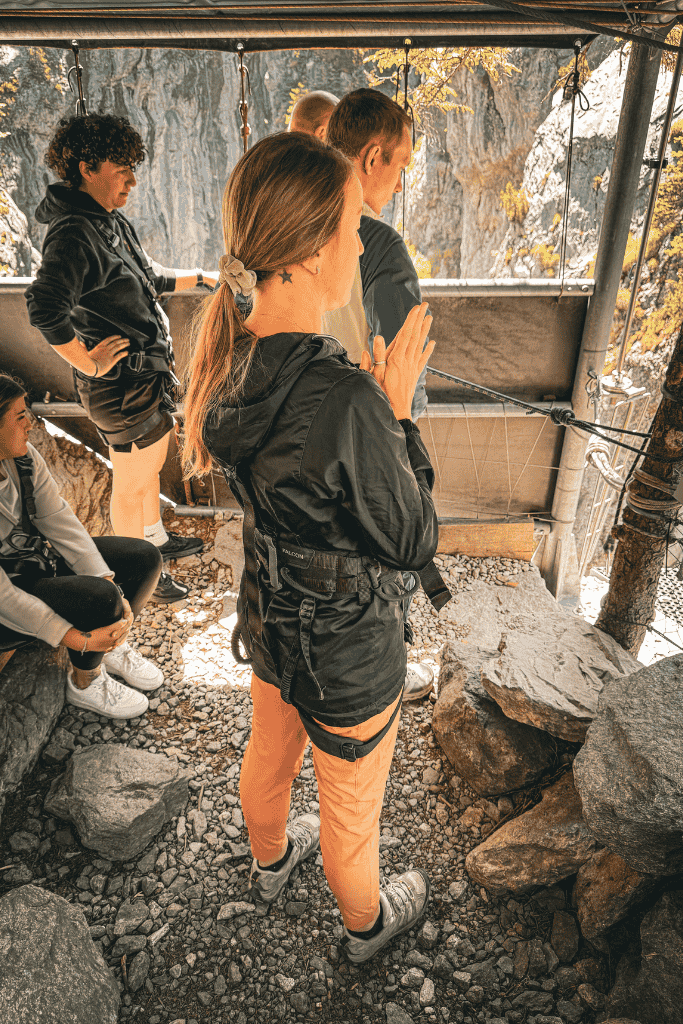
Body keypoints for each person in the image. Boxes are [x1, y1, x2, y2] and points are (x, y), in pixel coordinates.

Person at [182, 132, 437, 963]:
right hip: (347, 649)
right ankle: (365, 930)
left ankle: (267, 863)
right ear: (307, 252)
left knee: (270, 751)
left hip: (270, 618)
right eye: (353, 226)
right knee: (350, 809)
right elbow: (410, 539)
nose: (362, 243)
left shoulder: (227, 358)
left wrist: (366, 409)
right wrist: (393, 416)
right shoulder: (347, 397)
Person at [25, 113, 218, 604]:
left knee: (146, 474)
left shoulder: (104, 219)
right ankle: (139, 577)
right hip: (120, 389)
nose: (133, 179)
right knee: (133, 484)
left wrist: (200, 277)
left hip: (141, 382)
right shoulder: (73, 233)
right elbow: (44, 305)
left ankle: (154, 542)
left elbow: (147, 275)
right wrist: (85, 361)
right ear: (86, 167)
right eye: (122, 168)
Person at [325, 88, 435, 701]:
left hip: (301, 431)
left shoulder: (293, 224)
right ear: (372, 157)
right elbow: (400, 360)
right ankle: (388, 655)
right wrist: (406, 430)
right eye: (401, 163)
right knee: (388, 540)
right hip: (368, 423)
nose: (400, 180)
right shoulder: (378, 245)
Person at [0, 373, 164, 719]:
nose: (31, 423)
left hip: (32, 565)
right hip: (5, 602)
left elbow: (58, 520)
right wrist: (78, 639)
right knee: (98, 599)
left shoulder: (23, 459)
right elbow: (3, 597)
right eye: (19, 416)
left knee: (143, 557)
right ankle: (86, 681)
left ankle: (112, 644)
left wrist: (108, 581)